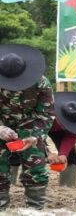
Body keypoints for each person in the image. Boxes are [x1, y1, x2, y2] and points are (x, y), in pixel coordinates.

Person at [0, 44, 55, 210]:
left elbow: (46, 114)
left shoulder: (41, 83)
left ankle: (35, 207)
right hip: (1, 124)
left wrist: (36, 136)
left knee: (35, 160)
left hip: (30, 125)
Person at [9, 92, 76, 188]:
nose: (68, 127)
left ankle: (67, 187)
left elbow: (71, 136)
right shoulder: (41, 109)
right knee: (16, 149)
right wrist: (47, 152)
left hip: (54, 128)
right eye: (66, 124)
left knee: (71, 155)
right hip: (32, 127)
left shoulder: (74, 116)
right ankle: (10, 184)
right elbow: (31, 135)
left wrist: (64, 154)